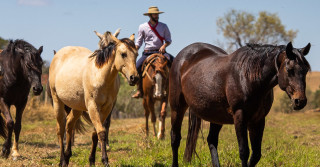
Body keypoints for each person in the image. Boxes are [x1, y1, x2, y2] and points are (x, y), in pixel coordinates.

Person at [132, 6, 174, 98]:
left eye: (157, 14)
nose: (157, 16)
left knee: (175, 63)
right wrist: (134, 51)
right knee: (136, 68)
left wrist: (164, 46)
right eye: (155, 14)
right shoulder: (142, 27)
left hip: (161, 52)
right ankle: (139, 90)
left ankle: (174, 88)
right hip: (147, 52)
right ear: (150, 15)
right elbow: (139, 42)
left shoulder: (164, 26)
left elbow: (168, 40)